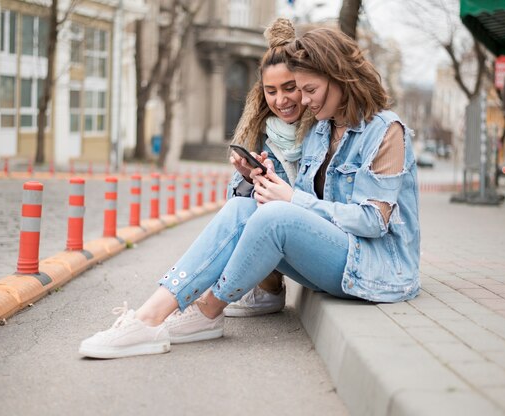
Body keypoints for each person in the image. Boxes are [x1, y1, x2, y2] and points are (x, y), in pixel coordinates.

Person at [79, 26, 420, 359]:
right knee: (244, 207)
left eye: (309, 89)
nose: (302, 100)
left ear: (339, 76)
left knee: (275, 215)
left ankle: (208, 310)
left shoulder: (387, 131)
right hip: (337, 257)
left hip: (378, 271)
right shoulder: (321, 131)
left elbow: (374, 220)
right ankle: (149, 316)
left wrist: (290, 199)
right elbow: (302, 205)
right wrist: (264, 181)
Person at [224, 18, 313, 318]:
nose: (281, 100)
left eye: (290, 88)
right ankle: (266, 286)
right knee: (241, 194)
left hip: (311, 230)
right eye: (271, 91)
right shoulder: (260, 132)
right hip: (276, 230)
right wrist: (248, 179)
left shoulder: (323, 129)